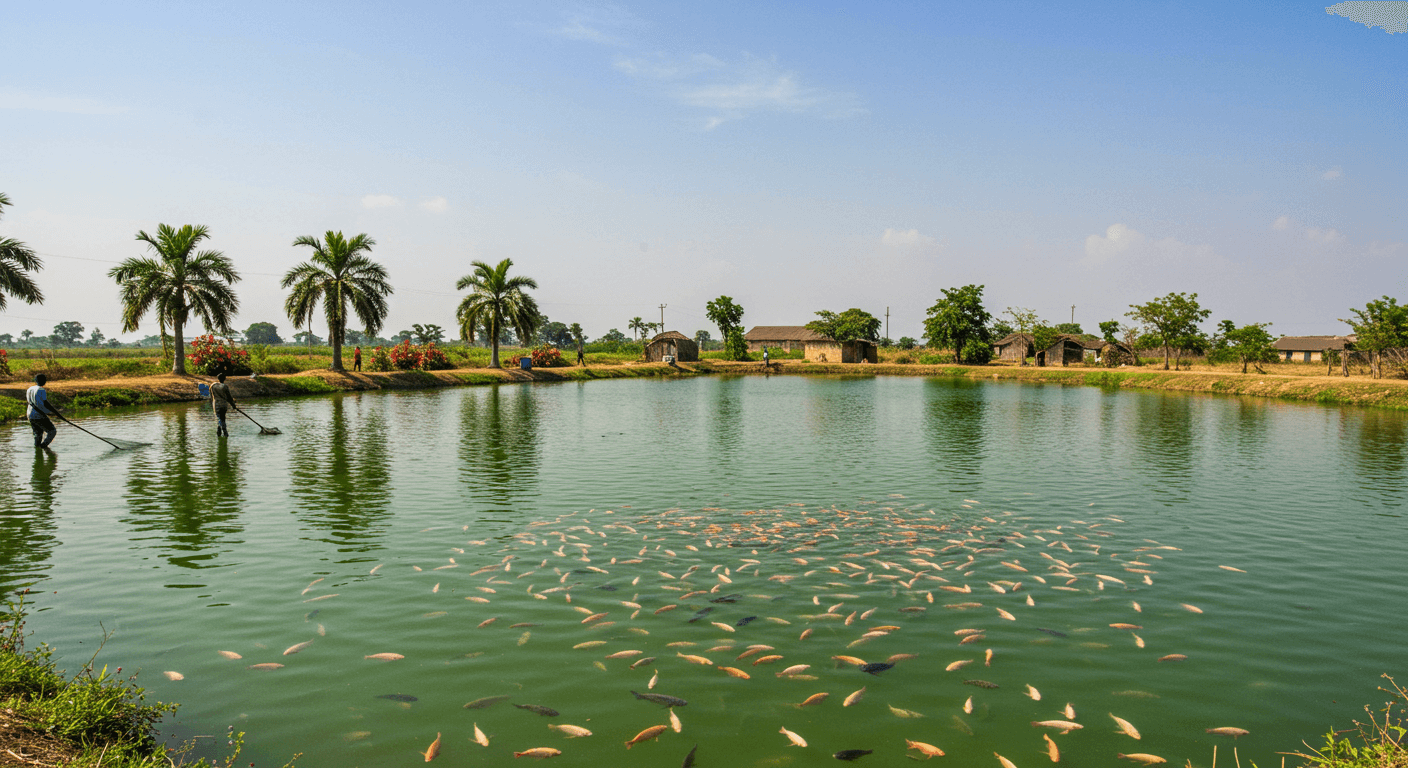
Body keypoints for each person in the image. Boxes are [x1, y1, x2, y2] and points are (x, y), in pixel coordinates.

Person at [26, 374, 59, 448]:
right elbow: (45, 403)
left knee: (38, 434)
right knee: (52, 431)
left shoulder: (30, 389)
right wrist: (56, 412)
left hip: (30, 414)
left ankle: (37, 449)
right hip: (39, 415)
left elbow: (30, 402)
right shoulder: (41, 390)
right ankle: (43, 446)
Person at [210, 372, 236, 437]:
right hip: (223, 404)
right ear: (224, 379)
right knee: (223, 418)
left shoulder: (213, 385)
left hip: (216, 404)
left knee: (218, 418)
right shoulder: (224, 386)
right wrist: (233, 405)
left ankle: (219, 432)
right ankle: (225, 432)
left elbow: (211, 396)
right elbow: (229, 397)